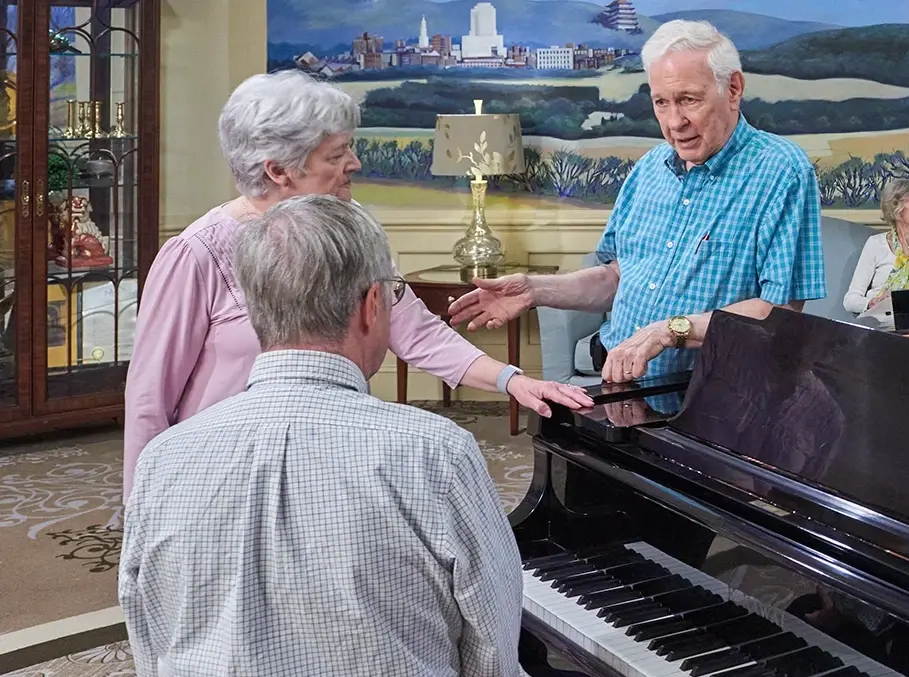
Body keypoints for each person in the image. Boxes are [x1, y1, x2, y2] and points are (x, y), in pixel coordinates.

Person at [122, 69, 591, 501]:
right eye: (336, 153)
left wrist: (513, 381)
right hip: (220, 478)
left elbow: (416, 331)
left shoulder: (357, 229)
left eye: (350, 145)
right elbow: (149, 400)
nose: (356, 161)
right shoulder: (197, 254)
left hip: (329, 467)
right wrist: (143, 508)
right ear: (278, 170)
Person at [119, 195, 524, 676]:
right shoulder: (436, 453)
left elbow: (147, 630)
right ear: (373, 305)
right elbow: (492, 647)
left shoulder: (162, 459)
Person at [447, 20, 826, 386]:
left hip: (715, 396)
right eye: (661, 102)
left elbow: (778, 312)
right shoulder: (649, 169)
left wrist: (670, 331)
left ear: (733, 88)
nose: (674, 121)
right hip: (621, 384)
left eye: (688, 100)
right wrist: (534, 290)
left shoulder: (781, 170)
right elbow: (616, 276)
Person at [843, 178, 909, 315]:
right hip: (878, 322)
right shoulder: (875, 244)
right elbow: (850, 300)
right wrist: (872, 303)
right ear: (896, 207)